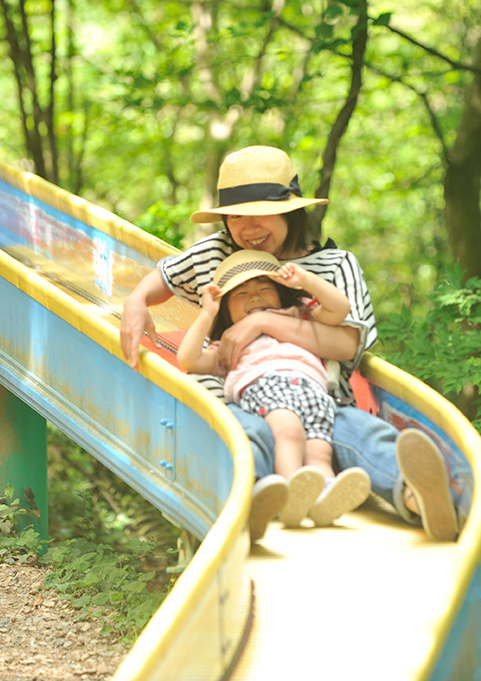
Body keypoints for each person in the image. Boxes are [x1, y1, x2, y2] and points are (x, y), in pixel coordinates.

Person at [120, 145, 459, 543]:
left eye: (262, 214)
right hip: (240, 400)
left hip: (321, 400)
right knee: (247, 436)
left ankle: (416, 496)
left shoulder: (334, 266)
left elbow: (346, 344)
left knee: (364, 435)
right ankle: (255, 500)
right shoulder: (217, 254)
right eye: (235, 216)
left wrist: (262, 321)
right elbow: (164, 277)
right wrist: (135, 301)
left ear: (291, 211)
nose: (247, 228)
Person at [177, 249, 372, 533]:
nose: (254, 297)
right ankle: (292, 493)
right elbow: (188, 359)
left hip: (314, 393)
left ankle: (325, 498)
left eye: (265, 288)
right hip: (265, 387)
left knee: (319, 448)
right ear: (226, 310)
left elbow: (340, 308)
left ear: (281, 294)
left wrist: (305, 280)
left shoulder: (299, 318)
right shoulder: (229, 343)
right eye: (241, 294)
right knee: (289, 432)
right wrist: (208, 313)